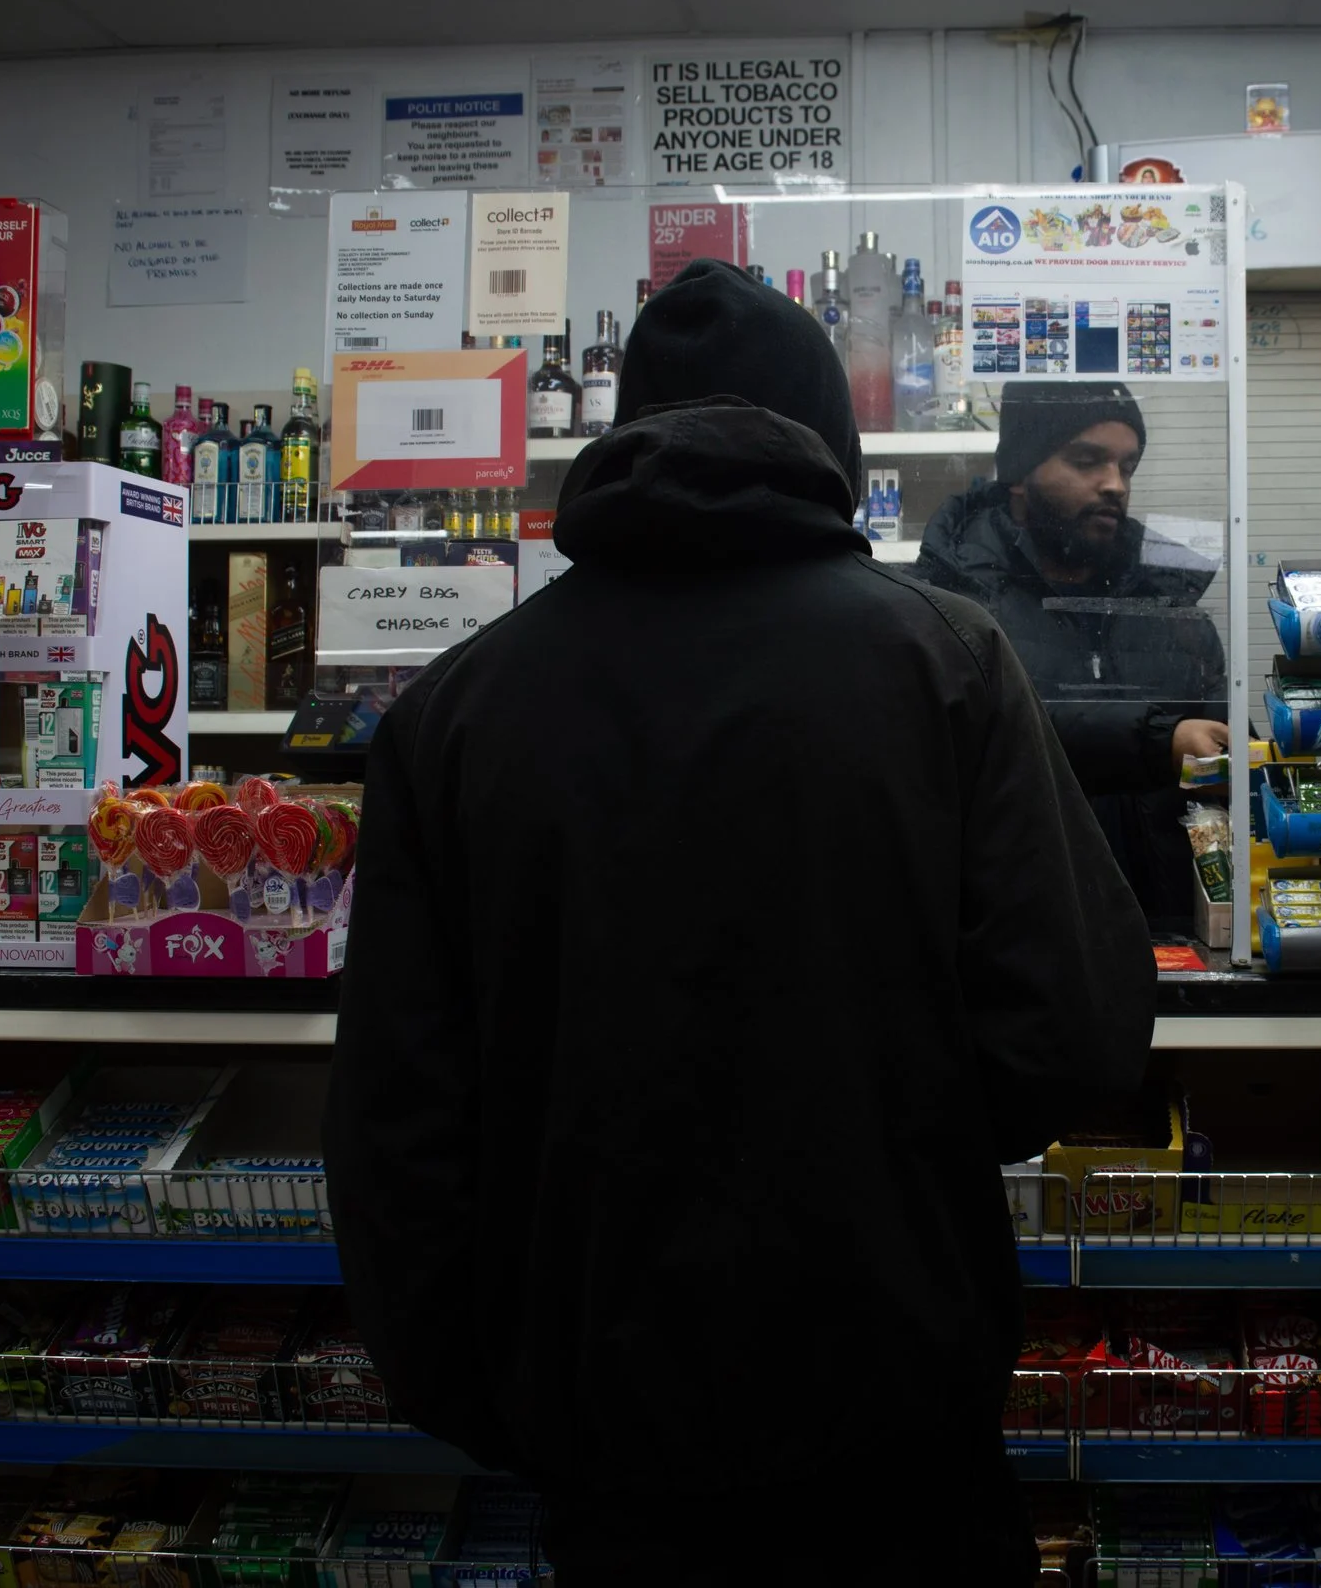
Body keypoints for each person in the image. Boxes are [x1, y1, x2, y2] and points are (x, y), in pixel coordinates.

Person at [326, 260, 1155, 1584]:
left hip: (607, 1428)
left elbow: (396, 1122)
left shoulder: (456, 712)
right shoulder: (944, 661)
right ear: (834, 443)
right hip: (896, 1396)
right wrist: (906, 1142)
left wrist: (491, 1394)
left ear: (617, 434)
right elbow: (1082, 1028)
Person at [916, 380, 1228, 928]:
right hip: (1013, 945)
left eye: (1127, 467)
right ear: (1020, 472)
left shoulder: (1173, 614)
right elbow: (963, 752)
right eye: (1087, 461)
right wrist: (1161, 741)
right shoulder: (957, 609)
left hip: (1170, 942)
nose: (1115, 485)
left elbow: (1226, 788)